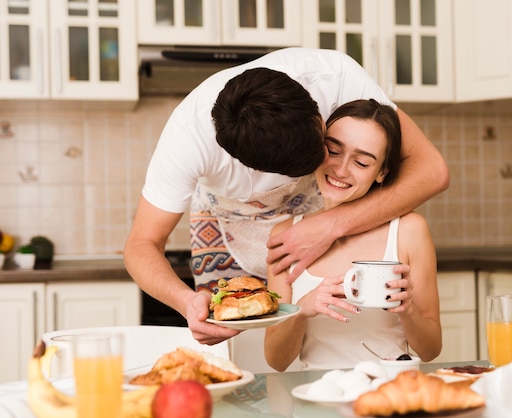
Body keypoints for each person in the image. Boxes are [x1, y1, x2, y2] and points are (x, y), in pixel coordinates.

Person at [124, 48, 448, 346]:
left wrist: (331, 225)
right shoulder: (187, 141)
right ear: (249, 164)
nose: (332, 161)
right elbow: (142, 244)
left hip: (319, 213)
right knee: (240, 350)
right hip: (227, 225)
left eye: (327, 145)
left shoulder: (334, 78)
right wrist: (184, 301)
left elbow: (433, 171)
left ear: (312, 105)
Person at [264, 99, 441, 371]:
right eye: (333, 151)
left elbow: (430, 350)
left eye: (361, 162)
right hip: (315, 399)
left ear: (382, 172)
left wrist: (408, 311)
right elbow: (276, 360)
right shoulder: (287, 235)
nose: (341, 169)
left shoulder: (408, 230)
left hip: (388, 396)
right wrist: (302, 309)